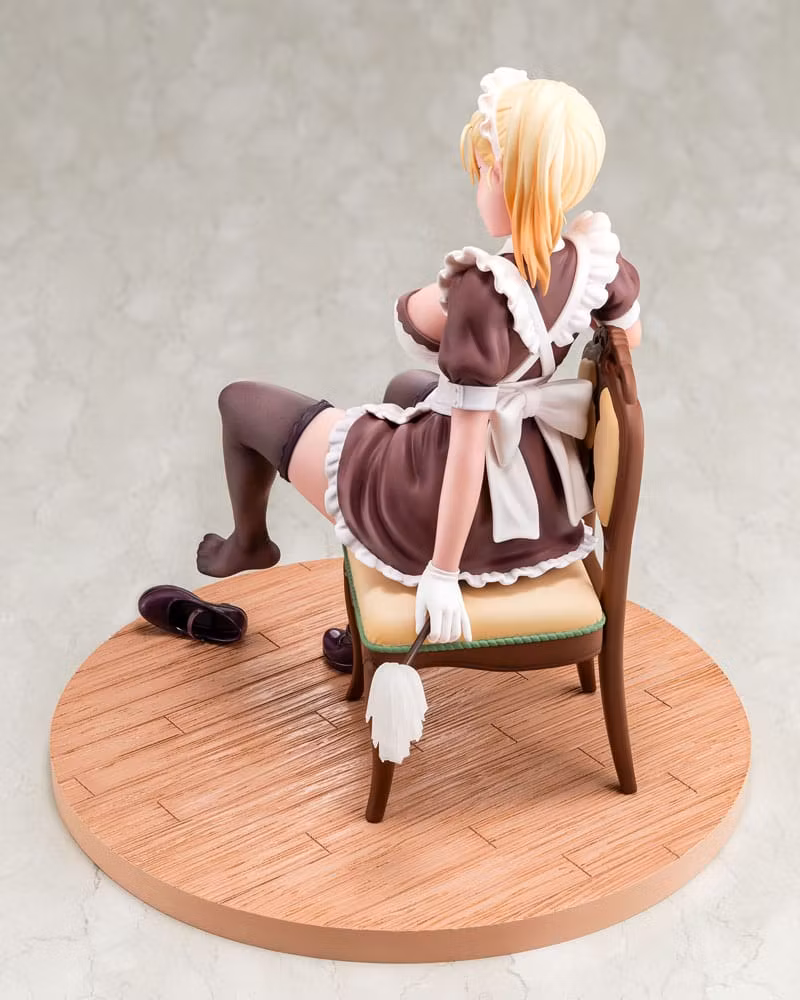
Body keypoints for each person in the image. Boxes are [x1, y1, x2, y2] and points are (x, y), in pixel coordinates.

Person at [197, 69, 642, 664]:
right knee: (406, 388)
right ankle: (364, 628)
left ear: (503, 178)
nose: (478, 185)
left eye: (482, 172)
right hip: (540, 491)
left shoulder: (484, 291)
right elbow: (627, 334)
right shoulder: (595, 261)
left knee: (241, 402)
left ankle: (250, 542)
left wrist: (442, 572)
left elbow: (466, 446)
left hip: (453, 510)